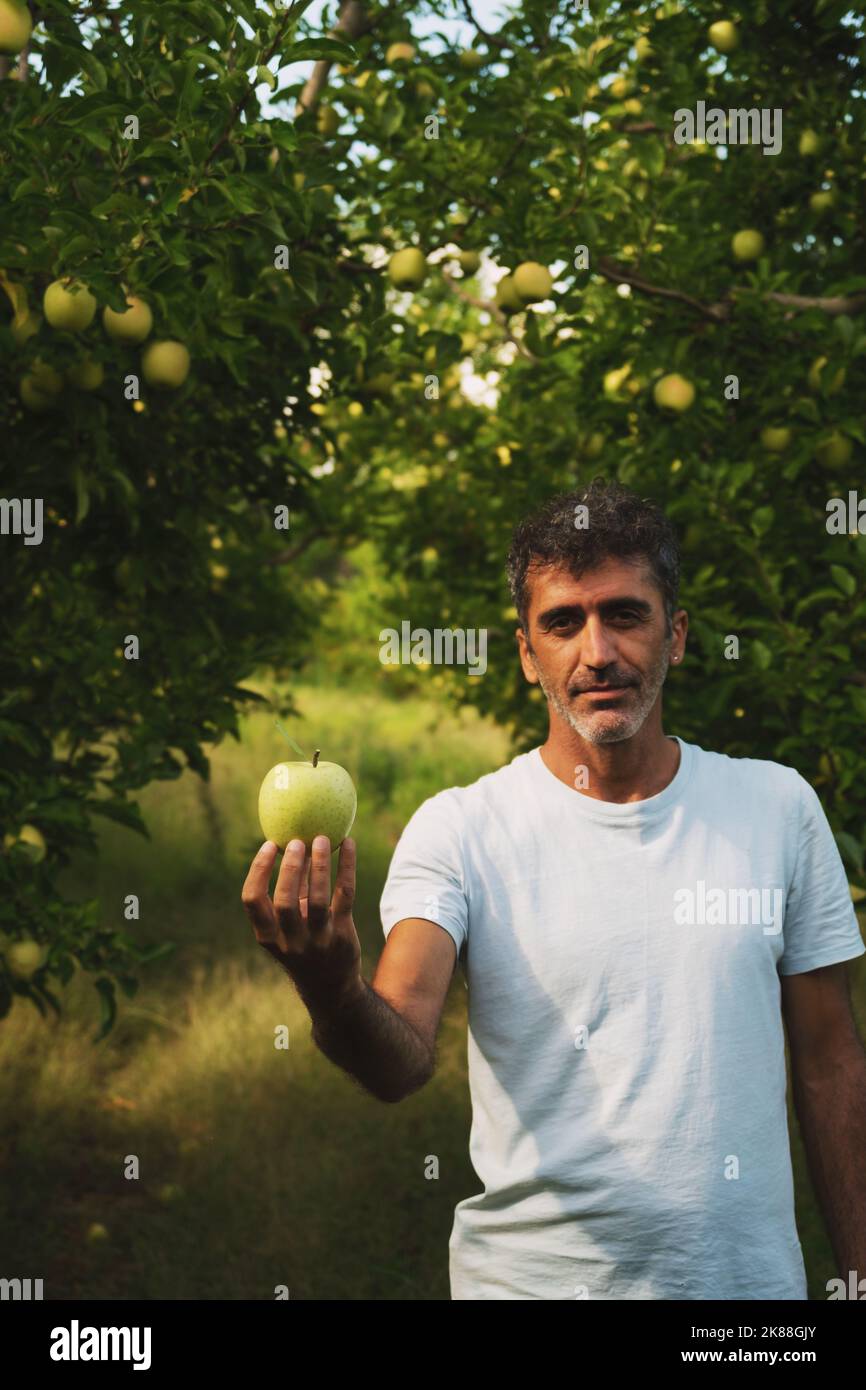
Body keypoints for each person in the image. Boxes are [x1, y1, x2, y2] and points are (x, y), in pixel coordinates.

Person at [241, 478, 866, 1300]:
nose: (597, 651)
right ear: (529, 652)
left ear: (675, 635)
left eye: (625, 614)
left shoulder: (778, 807)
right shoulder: (461, 829)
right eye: (563, 623)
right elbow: (398, 1060)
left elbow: (829, 1064)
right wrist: (329, 987)